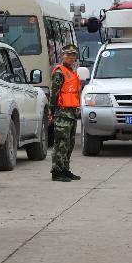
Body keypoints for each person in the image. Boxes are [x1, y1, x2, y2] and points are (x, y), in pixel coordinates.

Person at [50, 44, 81, 182]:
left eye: (73, 55)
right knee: (61, 143)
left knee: (69, 143)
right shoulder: (59, 72)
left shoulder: (72, 71)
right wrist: (52, 111)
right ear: (62, 56)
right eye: (68, 55)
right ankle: (57, 171)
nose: (71, 57)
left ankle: (65, 169)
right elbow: (54, 93)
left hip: (71, 113)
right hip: (62, 112)